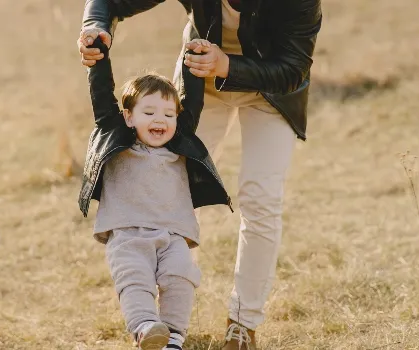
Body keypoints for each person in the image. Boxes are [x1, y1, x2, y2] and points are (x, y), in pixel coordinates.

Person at [78, 1, 323, 349]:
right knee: (168, 190)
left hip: (273, 92)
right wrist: (95, 26)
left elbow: (294, 68)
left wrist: (226, 63)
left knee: (261, 198)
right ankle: (157, 322)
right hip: (199, 89)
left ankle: (243, 323)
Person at [78, 37, 231, 350]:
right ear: (129, 117)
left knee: (180, 278)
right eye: (148, 113)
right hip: (127, 234)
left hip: (174, 233)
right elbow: (101, 97)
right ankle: (146, 327)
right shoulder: (118, 138)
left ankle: (173, 337)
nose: (160, 120)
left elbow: (193, 100)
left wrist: (194, 56)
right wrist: (98, 55)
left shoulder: (179, 142)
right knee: (135, 280)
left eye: (168, 114)